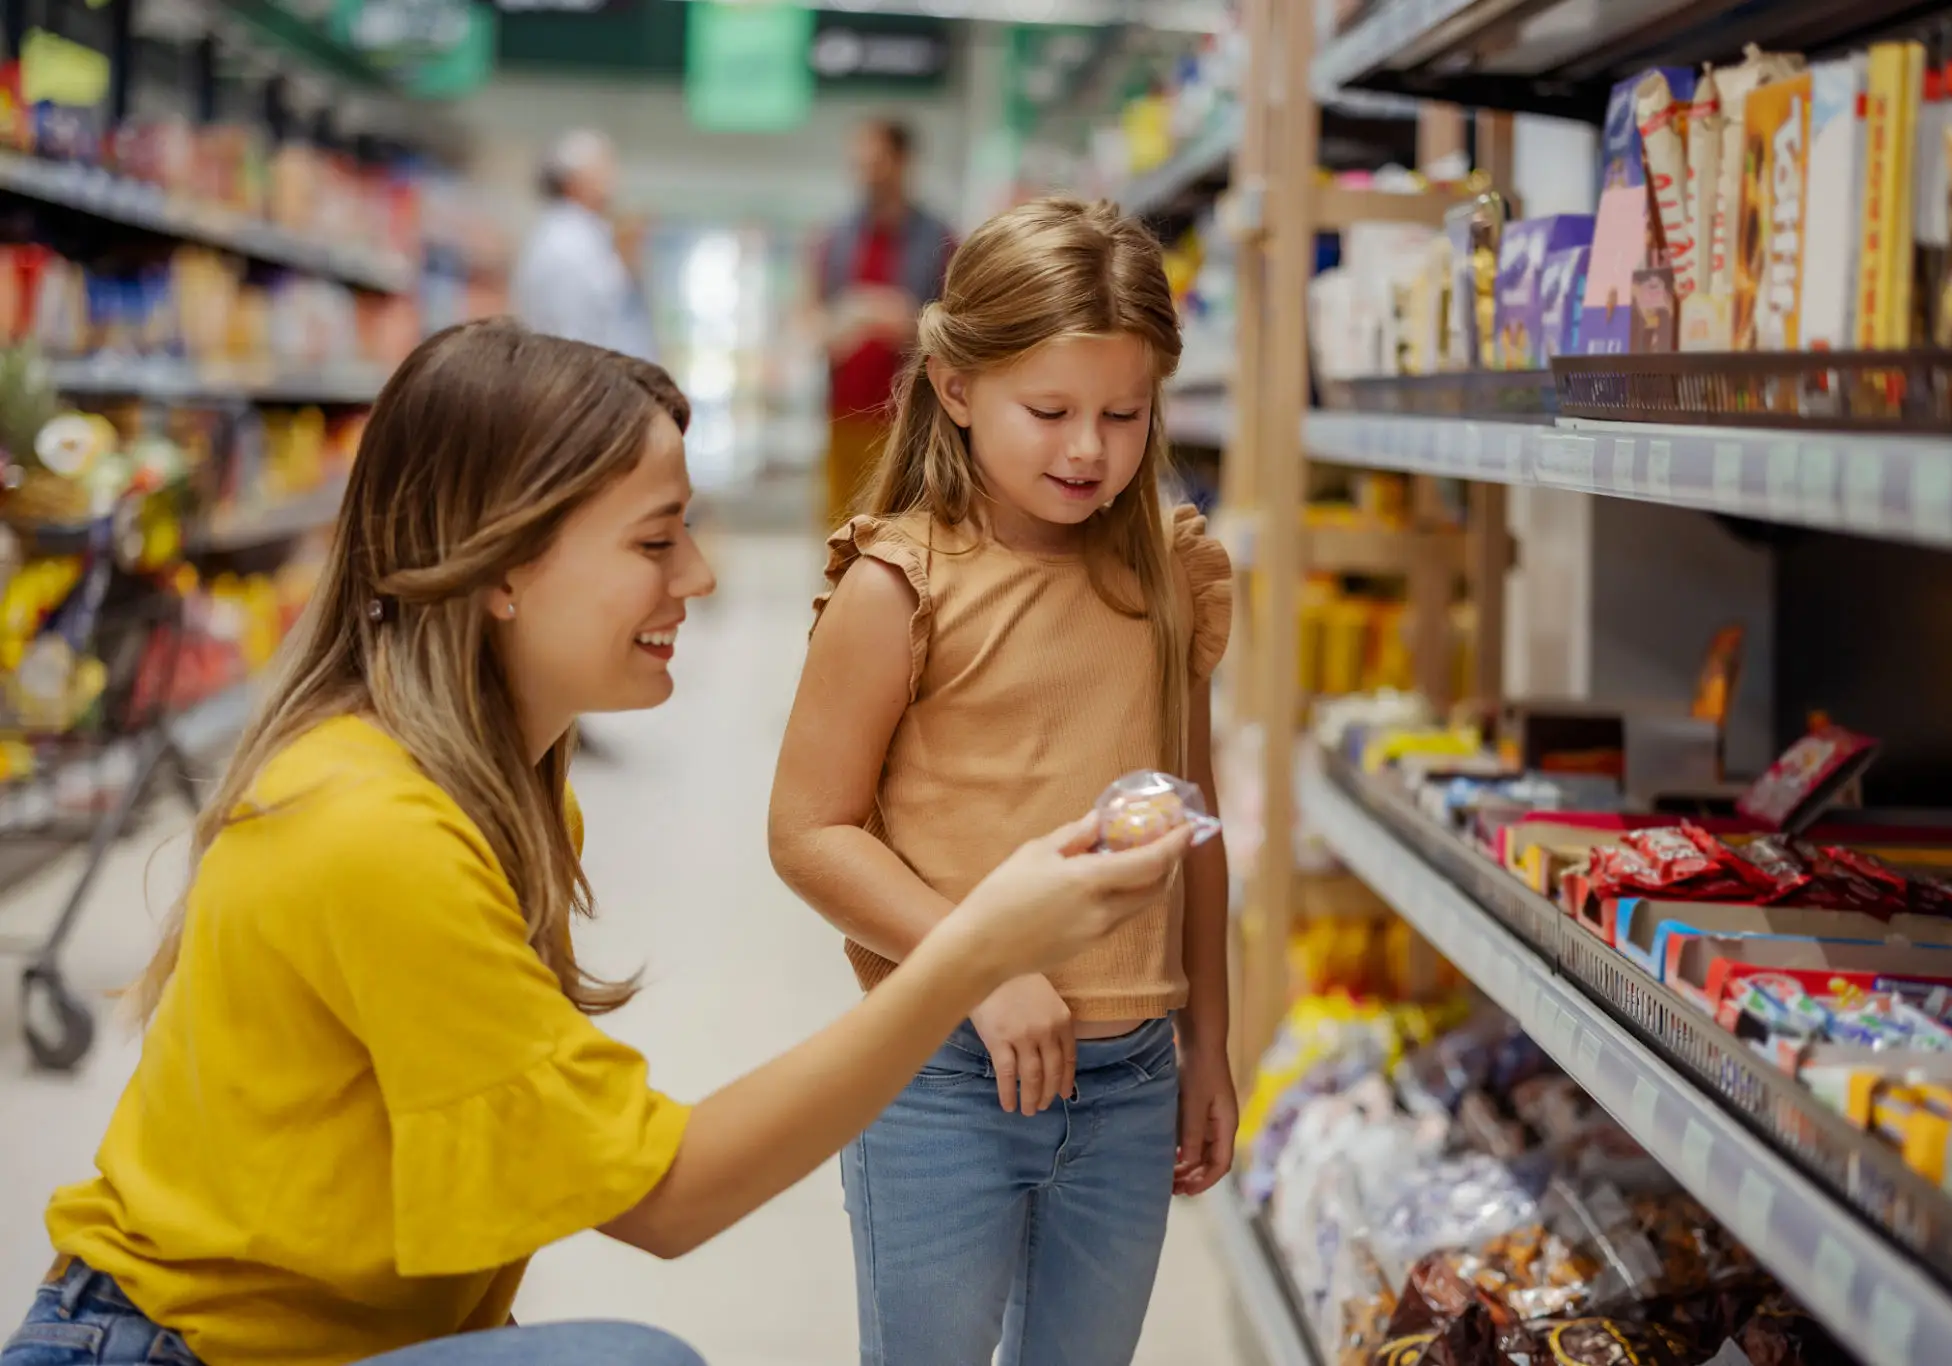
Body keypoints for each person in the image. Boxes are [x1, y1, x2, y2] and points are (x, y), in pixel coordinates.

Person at [1, 320, 1193, 1366]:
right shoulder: (368, 831)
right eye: (654, 540)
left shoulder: (499, 791)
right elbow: (665, 1197)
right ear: (506, 563)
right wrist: (974, 951)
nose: (702, 576)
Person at [769, 198, 1236, 1366]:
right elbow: (808, 831)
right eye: (1050, 411)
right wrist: (981, 962)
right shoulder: (900, 585)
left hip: (1130, 1079)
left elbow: (1193, 828)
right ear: (954, 384)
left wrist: (1211, 1040)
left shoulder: (1168, 574)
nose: (1089, 449)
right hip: (940, 1075)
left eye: (1123, 415)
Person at [812, 118, 954, 529]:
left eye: (876, 162)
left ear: (903, 162)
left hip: (908, 420)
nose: (866, 174)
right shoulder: (836, 239)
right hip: (843, 415)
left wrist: (904, 321)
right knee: (839, 529)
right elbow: (811, 317)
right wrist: (832, 326)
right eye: (858, 164)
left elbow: (959, 325)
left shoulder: (939, 240)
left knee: (901, 527)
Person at [511, 130, 659, 363]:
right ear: (573, 180)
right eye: (601, 170)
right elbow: (571, 332)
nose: (611, 179)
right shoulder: (564, 241)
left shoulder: (589, 233)